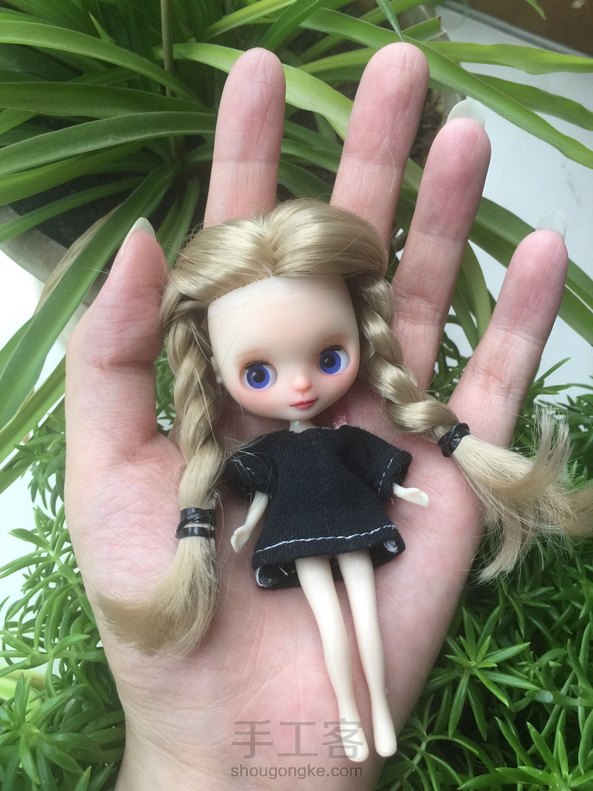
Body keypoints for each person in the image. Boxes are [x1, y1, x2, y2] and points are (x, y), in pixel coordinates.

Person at [65, 44, 575, 789]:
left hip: (351, 522)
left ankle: (372, 720)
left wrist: (405, 488)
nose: (300, 388)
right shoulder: (265, 457)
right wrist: (238, 525)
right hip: (297, 536)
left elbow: (378, 463)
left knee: (364, 618)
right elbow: (252, 494)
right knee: (336, 625)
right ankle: (351, 723)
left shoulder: (345, 438)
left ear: (361, 333)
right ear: (213, 369)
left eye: (328, 356)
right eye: (260, 373)